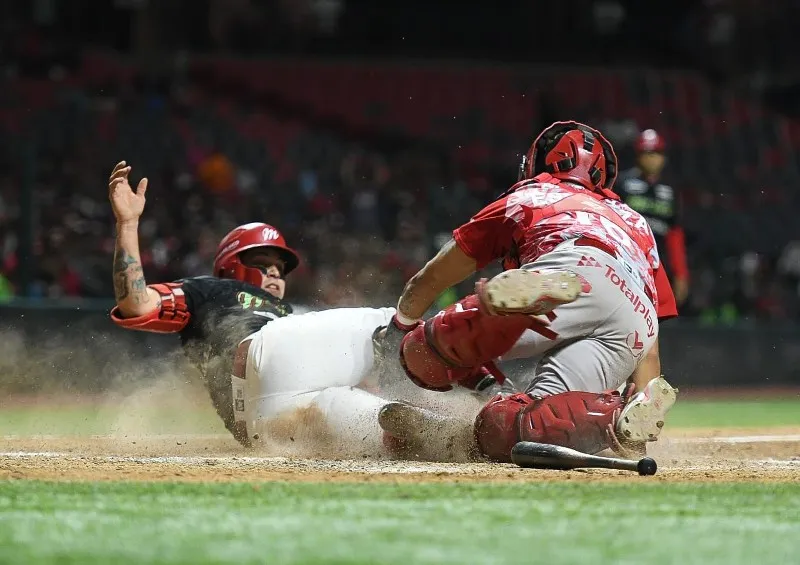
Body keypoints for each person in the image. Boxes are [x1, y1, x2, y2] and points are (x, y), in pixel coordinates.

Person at [375, 122, 679, 462]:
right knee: (518, 430)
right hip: (635, 318)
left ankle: (501, 326)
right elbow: (649, 354)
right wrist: (641, 420)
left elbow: (430, 280)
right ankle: (613, 417)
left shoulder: (529, 195)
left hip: (573, 270)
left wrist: (400, 330)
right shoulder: (637, 224)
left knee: (421, 352)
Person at [107, 161, 397, 456]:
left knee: (361, 414)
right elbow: (136, 303)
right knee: (392, 321)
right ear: (229, 266)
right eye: (262, 263)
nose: (274, 274)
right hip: (260, 352)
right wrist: (127, 225)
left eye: (280, 270)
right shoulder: (210, 290)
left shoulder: (288, 313)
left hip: (264, 426)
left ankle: (426, 427)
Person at [617, 129, 689, 305]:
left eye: (656, 153)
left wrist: (681, 274)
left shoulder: (670, 189)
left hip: (658, 264)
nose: (651, 158)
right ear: (638, 156)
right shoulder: (622, 184)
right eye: (646, 153)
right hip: (625, 259)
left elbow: (675, 233)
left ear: (663, 157)